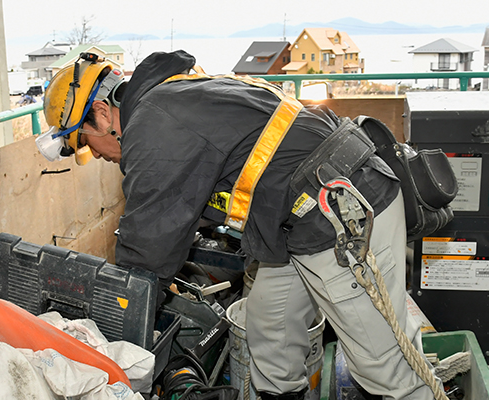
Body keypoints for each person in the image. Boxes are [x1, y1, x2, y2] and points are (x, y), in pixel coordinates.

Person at [41, 50, 439, 400]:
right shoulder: (173, 92)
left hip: (340, 214)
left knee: (383, 365)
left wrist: (114, 322)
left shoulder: (153, 125)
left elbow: (148, 246)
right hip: (295, 220)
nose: (96, 154)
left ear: (103, 113)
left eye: (85, 142)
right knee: (269, 330)